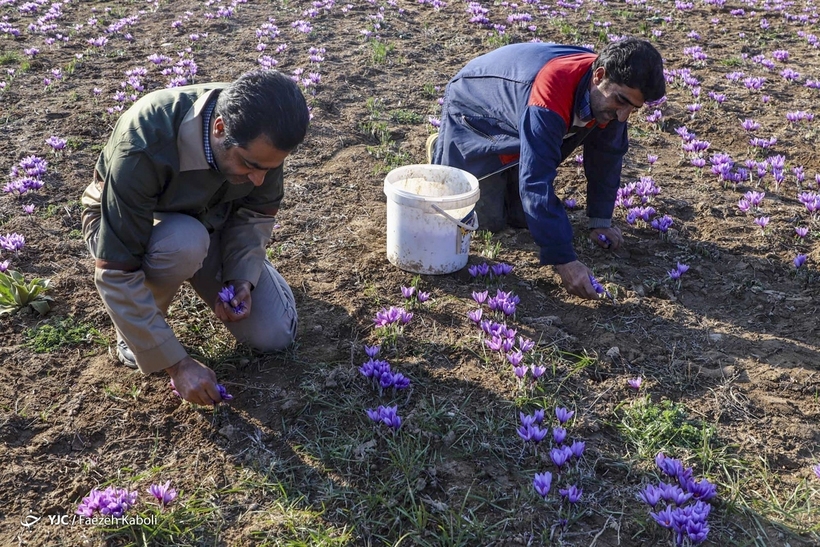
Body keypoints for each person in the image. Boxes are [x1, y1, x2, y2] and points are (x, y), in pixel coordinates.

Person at [81, 69, 310, 406]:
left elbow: (254, 216)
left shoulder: (263, 134)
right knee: (183, 242)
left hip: (209, 221)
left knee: (273, 334)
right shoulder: (145, 139)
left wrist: (242, 279)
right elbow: (116, 271)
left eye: (270, 168)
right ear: (219, 129)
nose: (260, 179)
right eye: (250, 165)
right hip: (136, 227)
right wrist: (177, 363)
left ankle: (220, 269)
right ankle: (138, 333)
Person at [429, 38, 666, 299]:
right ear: (599, 75)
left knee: (523, 217)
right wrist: (565, 261)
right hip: (475, 107)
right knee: (488, 221)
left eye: (633, 108)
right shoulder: (552, 91)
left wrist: (600, 220)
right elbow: (536, 183)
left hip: (524, 112)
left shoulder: (608, 96)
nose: (623, 116)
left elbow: (607, 157)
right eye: (621, 101)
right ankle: (447, 151)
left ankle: (510, 164)